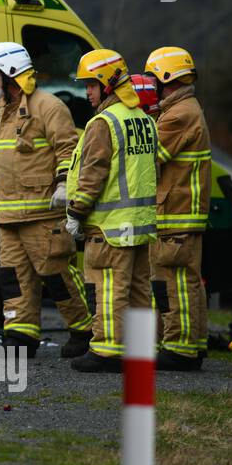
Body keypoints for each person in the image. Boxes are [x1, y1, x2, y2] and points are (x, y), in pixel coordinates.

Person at [0, 42, 93, 358]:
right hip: (8, 216)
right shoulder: (0, 111)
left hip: (42, 214)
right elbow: (0, 159)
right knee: (13, 279)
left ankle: (84, 330)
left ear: (11, 73)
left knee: (58, 276)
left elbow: (68, 150)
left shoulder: (49, 107)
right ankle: (20, 335)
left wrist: (64, 185)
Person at [64, 49, 158, 373]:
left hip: (109, 227)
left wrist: (75, 213)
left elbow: (93, 174)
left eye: (91, 84)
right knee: (138, 289)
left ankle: (107, 350)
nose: (87, 92)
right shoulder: (144, 119)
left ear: (107, 83)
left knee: (107, 287)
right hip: (140, 224)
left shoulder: (103, 122)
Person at [144, 47, 212, 371]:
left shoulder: (177, 115)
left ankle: (179, 348)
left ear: (166, 79)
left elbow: (150, 156)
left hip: (176, 212)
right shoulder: (185, 108)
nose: (150, 87)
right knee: (187, 280)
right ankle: (193, 344)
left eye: (153, 80)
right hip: (181, 211)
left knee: (172, 282)